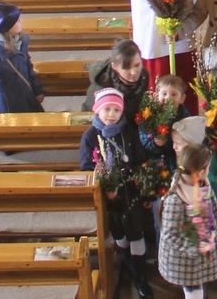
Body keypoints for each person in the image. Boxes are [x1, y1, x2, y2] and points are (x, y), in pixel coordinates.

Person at [79, 88, 152, 298]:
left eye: (116, 110)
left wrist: (145, 188)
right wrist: (105, 186)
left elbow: (140, 160)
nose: (111, 114)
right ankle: (126, 268)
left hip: (132, 194)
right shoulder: (90, 136)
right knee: (119, 235)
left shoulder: (127, 131)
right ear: (97, 111)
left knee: (137, 234)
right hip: (107, 199)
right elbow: (86, 167)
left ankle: (140, 277)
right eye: (107, 109)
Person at [159, 144, 217, 299]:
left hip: (202, 255)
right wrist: (194, 248)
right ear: (200, 172)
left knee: (198, 287)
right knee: (193, 290)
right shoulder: (175, 199)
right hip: (185, 261)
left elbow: (215, 214)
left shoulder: (204, 186)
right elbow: (169, 235)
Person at [0, 2, 43, 118]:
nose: (21, 22)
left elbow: (28, 65)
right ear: (7, 27)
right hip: (8, 104)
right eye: (17, 21)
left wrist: (37, 90)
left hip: (26, 96)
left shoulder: (20, 41)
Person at [83, 39, 150, 128]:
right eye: (126, 68)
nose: (134, 72)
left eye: (137, 65)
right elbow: (98, 124)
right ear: (114, 67)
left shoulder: (143, 74)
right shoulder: (101, 88)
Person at [138, 74, 189, 167]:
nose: (168, 98)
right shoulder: (150, 117)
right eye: (164, 94)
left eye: (174, 94)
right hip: (157, 162)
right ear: (157, 96)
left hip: (178, 160)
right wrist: (155, 144)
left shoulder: (185, 116)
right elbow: (144, 141)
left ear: (182, 98)